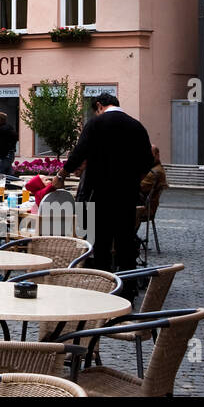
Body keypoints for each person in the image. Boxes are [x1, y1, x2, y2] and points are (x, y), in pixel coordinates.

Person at [48, 94, 152, 281]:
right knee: (125, 242)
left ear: (99, 106)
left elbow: (79, 153)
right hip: (127, 195)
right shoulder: (136, 126)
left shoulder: (96, 124)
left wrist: (60, 176)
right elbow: (147, 163)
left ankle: (103, 284)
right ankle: (128, 287)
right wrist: (132, 180)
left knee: (101, 243)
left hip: (99, 193)